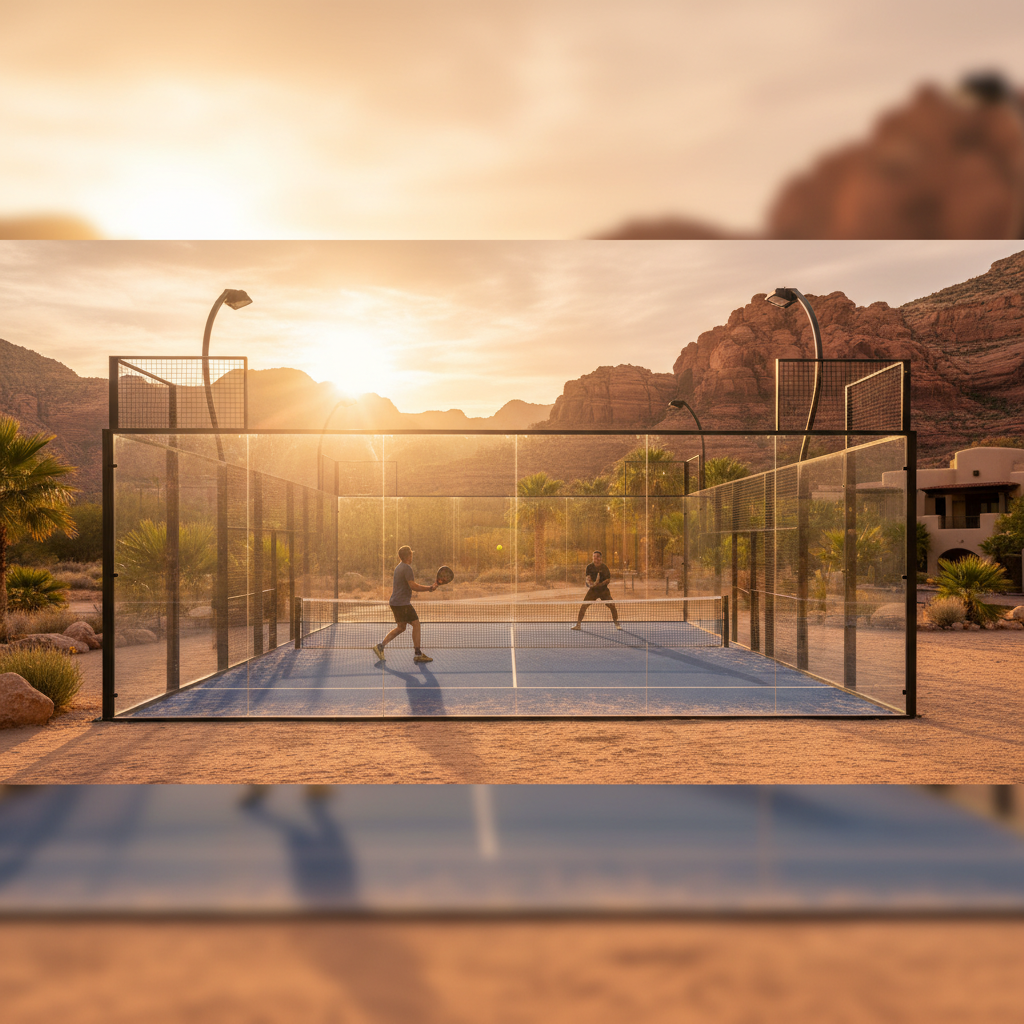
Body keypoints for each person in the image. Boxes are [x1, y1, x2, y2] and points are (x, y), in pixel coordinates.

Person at [373, 545, 437, 662]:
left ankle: (380, 646)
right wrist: (429, 588)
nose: (412, 556)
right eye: (411, 554)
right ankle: (418, 654)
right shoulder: (407, 568)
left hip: (395, 603)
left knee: (401, 627)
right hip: (402, 604)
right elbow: (413, 586)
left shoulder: (398, 567)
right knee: (416, 624)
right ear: (408, 556)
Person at [572, 550, 620, 630]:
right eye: (594, 556)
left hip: (603, 590)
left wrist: (599, 585)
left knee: (612, 605)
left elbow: (608, 580)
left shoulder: (604, 567)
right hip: (593, 591)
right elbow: (588, 578)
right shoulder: (589, 567)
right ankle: (578, 625)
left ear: (600, 558)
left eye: (597, 556)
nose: (596, 558)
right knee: (584, 605)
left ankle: (616, 623)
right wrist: (592, 584)